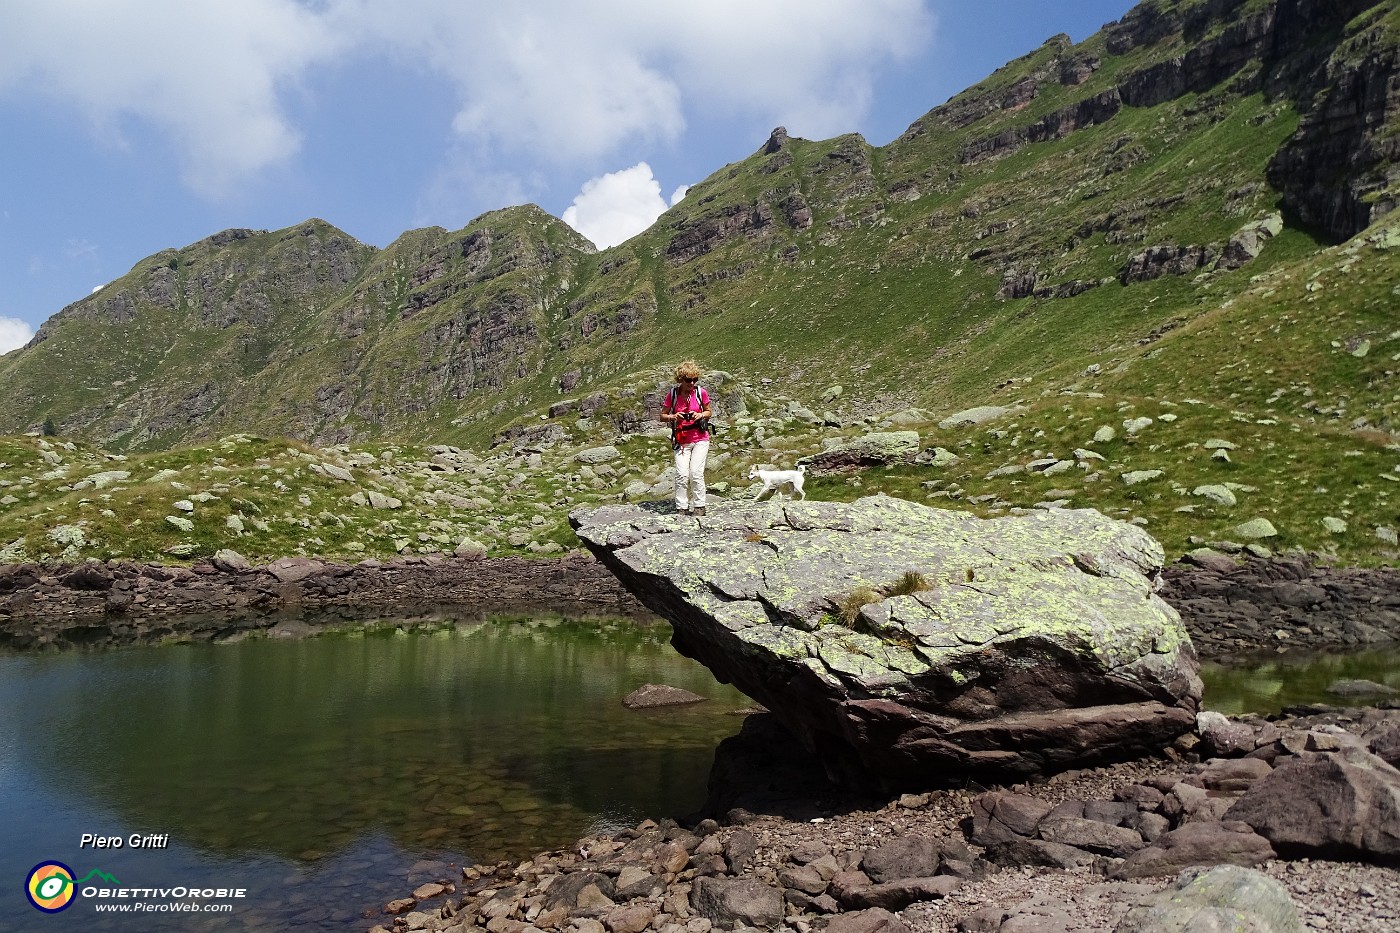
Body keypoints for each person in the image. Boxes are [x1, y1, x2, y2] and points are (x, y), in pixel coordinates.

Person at [660, 361, 713, 516]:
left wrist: (701, 415)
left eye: (695, 379)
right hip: (681, 440)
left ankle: (699, 506)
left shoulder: (700, 392)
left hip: (700, 438)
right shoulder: (673, 394)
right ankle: (681, 507)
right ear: (680, 379)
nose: (692, 383)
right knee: (682, 474)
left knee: (696, 472)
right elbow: (662, 416)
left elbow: (709, 411)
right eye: (688, 380)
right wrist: (674, 416)